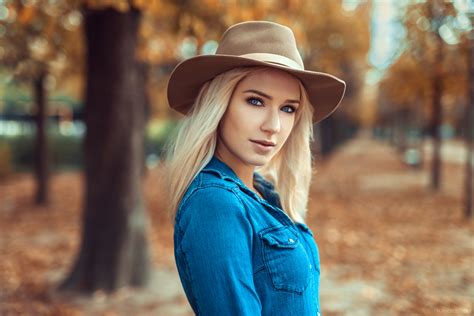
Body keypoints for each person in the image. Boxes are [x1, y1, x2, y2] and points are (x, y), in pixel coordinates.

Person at [164, 21, 345, 316]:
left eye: (288, 108)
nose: (273, 126)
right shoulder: (215, 203)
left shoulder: (263, 192)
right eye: (255, 101)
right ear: (219, 104)